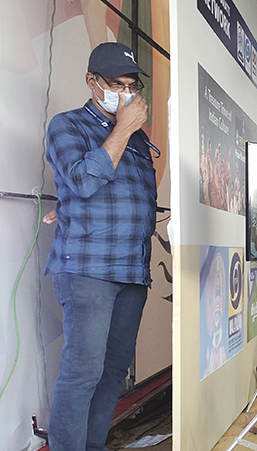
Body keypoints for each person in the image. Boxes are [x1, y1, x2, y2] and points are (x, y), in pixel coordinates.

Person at [44, 42, 158, 451]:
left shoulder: (141, 141)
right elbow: (83, 181)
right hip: (88, 270)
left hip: (132, 269)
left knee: (112, 373)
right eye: (115, 84)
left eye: (131, 86)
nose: (125, 94)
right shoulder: (67, 125)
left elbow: (131, 197)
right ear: (92, 81)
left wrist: (68, 206)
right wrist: (124, 128)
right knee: (82, 372)